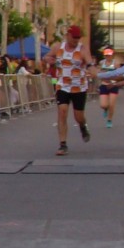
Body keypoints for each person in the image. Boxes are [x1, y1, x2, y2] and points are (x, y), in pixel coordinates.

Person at [43, 25, 94, 156]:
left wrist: (93, 70)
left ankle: (83, 127)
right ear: (68, 35)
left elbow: (89, 62)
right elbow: (46, 57)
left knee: (79, 117)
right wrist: (50, 59)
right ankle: (63, 144)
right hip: (63, 85)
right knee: (62, 111)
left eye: (78, 38)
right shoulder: (58, 47)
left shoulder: (82, 49)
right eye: (74, 38)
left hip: (79, 87)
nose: (76, 40)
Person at [97, 47, 119, 128]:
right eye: (106, 55)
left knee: (112, 104)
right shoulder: (101, 63)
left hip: (113, 85)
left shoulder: (116, 63)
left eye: (109, 55)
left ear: (112, 55)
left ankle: (109, 120)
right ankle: (105, 109)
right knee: (103, 105)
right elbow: (99, 73)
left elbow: (119, 74)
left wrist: (113, 80)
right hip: (104, 85)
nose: (108, 57)